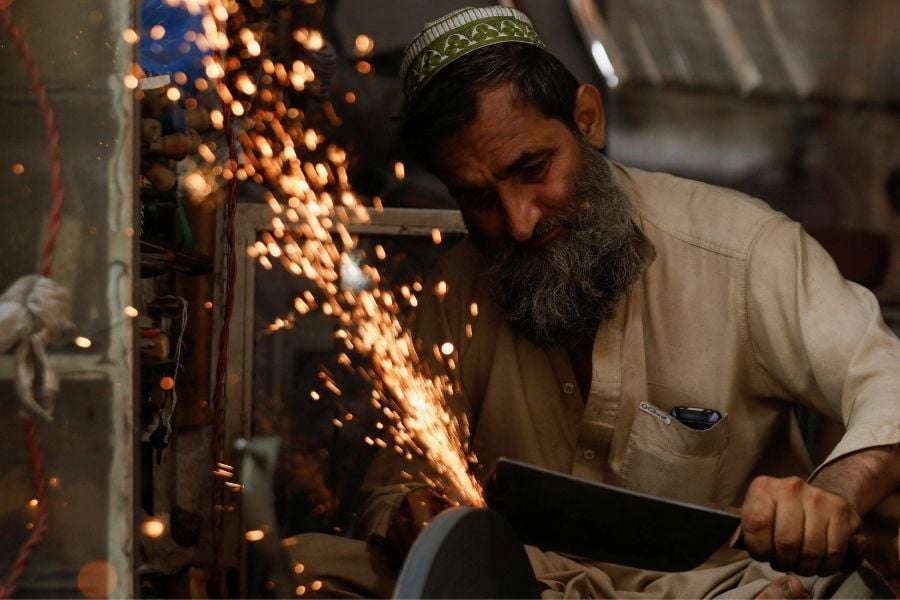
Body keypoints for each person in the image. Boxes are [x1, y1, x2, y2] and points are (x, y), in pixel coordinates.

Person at [290, 6, 900, 598]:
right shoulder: (458, 291)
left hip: (719, 589)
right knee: (305, 566)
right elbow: (395, 483)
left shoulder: (743, 250)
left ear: (587, 120)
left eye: (532, 167)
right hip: (522, 586)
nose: (519, 223)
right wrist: (409, 514)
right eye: (477, 197)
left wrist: (836, 494)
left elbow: (888, 382)